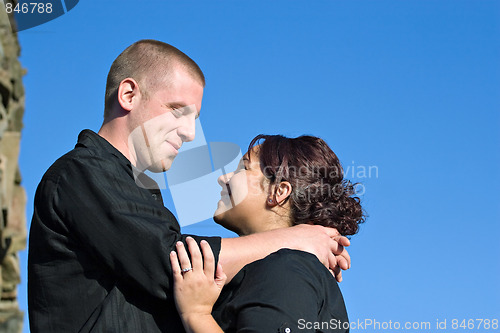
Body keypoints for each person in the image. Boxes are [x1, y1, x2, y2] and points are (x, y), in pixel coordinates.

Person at [27, 40, 352, 333]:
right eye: (177, 111)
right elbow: (172, 263)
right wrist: (292, 239)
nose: (190, 133)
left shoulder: (138, 194)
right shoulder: (82, 172)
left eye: (194, 118)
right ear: (128, 95)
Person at [170, 134, 365, 333]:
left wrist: (196, 314)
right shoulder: (272, 270)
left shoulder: (287, 271)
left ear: (278, 192)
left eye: (244, 168)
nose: (223, 178)